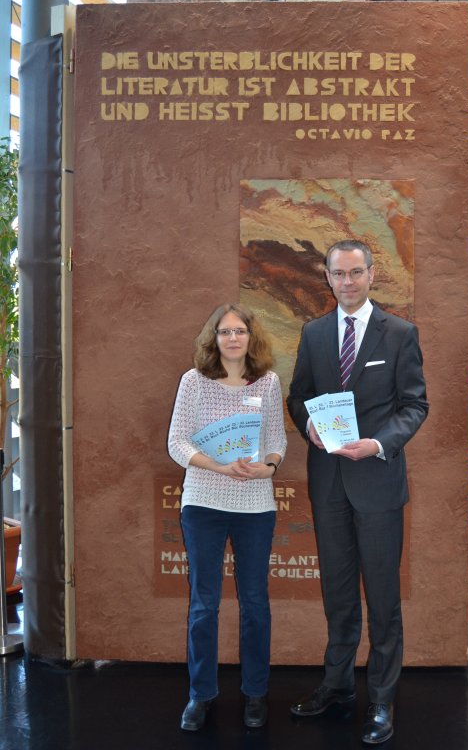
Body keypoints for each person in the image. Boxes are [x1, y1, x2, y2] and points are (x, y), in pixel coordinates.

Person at [287, 239, 428, 745]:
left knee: (384, 600)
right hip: (328, 486)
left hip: (379, 486)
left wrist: (378, 443)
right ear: (326, 277)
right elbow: (299, 395)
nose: (346, 282)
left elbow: (415, 405)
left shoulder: (400, 333)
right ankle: (338, 685)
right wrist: (307, 427)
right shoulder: (315, 333)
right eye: (337, 274)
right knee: (339, 595)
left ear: (372, 275)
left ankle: (383, 700)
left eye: (355, 273)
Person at [168, 303, 287, 732]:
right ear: (213, 338)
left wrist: (268, 467)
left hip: (256, 504)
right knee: (204, 604)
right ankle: (200, 694)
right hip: (203, 502)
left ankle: (255, 693)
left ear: (251, 337)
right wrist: (218, 468)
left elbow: (276, 441)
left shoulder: (269, 382)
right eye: (224, 332)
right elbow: (177, 443)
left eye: (239, 331)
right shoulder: (194, 382)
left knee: (255, 603)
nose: (232, 338)